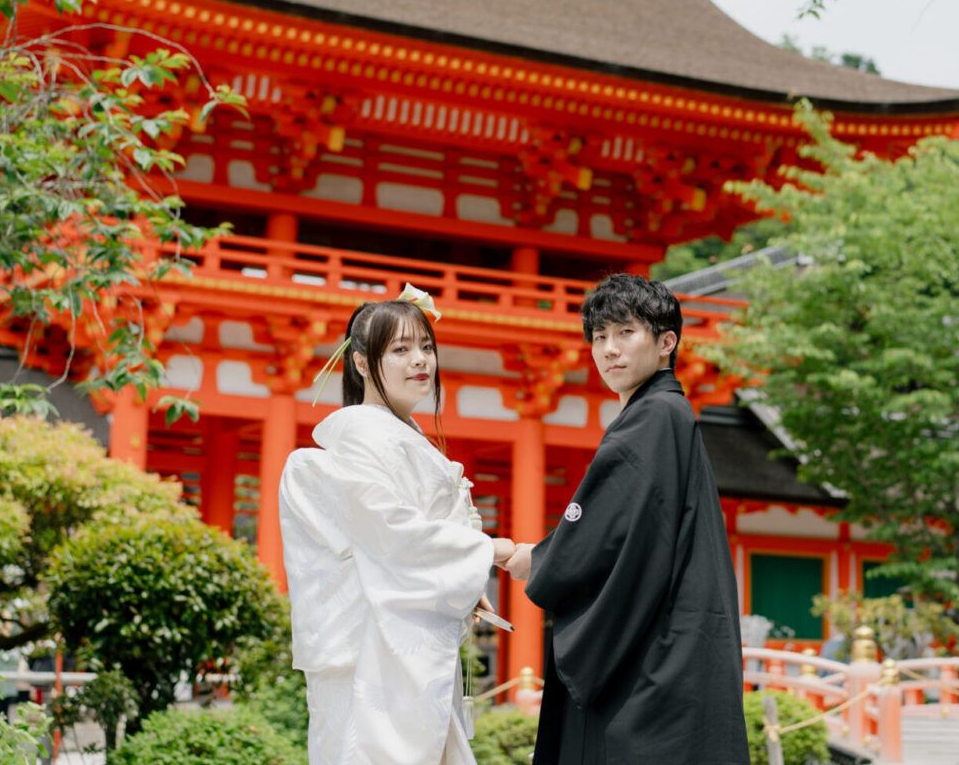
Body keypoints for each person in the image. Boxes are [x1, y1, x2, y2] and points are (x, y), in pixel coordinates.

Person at [503, 273, 748, 764]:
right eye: (599, 337)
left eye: (625, 333)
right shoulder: (668, 414)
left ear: (666, 343)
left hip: (654, 665)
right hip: (679, 651)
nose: (609, 350)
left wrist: (529, 556)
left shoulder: (652, 418)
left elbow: (602, 535)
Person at [279, 287, 515, 764]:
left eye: (426, 347)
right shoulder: (365, 435)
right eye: (401, 350)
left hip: (408, 641)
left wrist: (461, 580)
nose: (419, 361)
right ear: (363, 363)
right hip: (376, 650)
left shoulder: (404, 438)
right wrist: (487, 552)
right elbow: (391, 532)